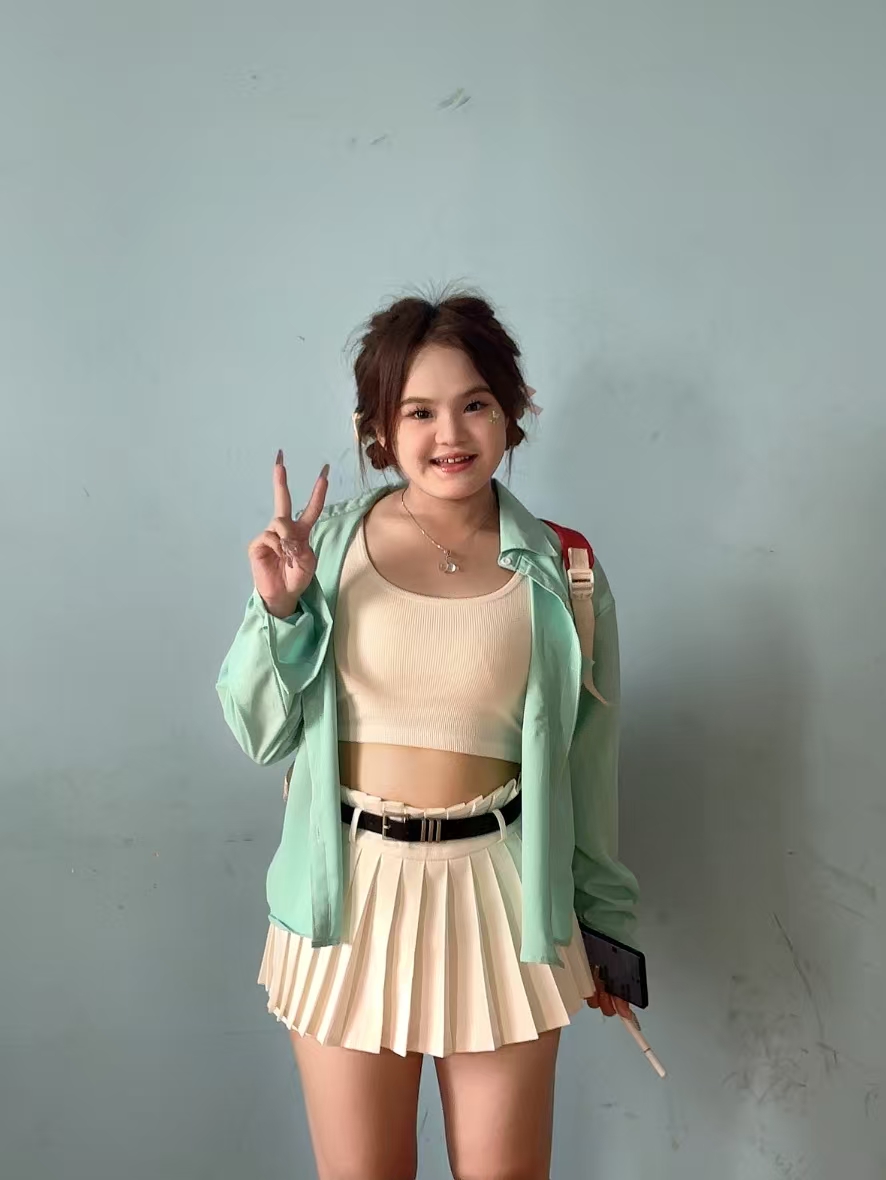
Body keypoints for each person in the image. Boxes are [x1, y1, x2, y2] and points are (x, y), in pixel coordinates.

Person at [216, 292, 642, 1180]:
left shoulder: (565, 569)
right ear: (379, 429)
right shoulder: (324, 552)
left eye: (474, 403)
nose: (450, 433)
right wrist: (279, 611)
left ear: (511, 412)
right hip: (348, 896)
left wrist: (606, 925)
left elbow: (587, 761)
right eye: (418, 411)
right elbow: (259, 732)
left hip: (503, 899)